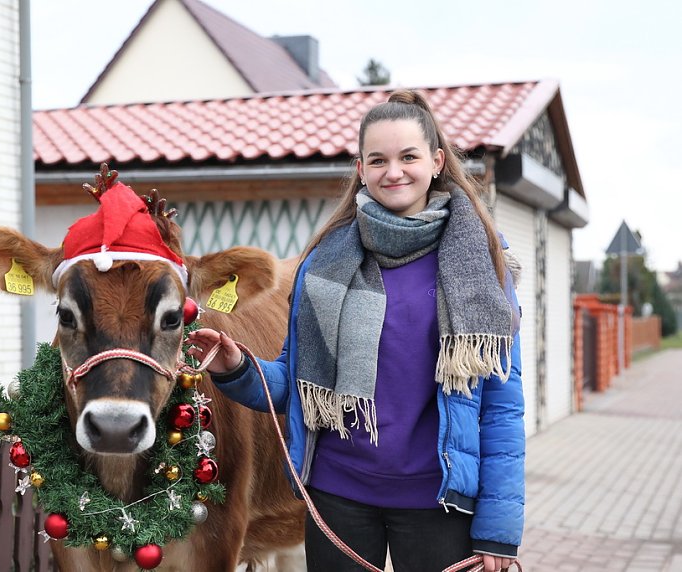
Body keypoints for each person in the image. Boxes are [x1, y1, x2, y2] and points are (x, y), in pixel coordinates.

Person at [187, 89, 524, 572]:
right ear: (361, 169)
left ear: (436, 161)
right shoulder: (323, 264)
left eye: (408, 156)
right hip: (337, 498)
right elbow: (296, 385)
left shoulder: (481, 264)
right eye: (378, 159)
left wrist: (498, 531)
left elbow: (502, 408)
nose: (394, 172)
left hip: (439, 502)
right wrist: (237, 368)